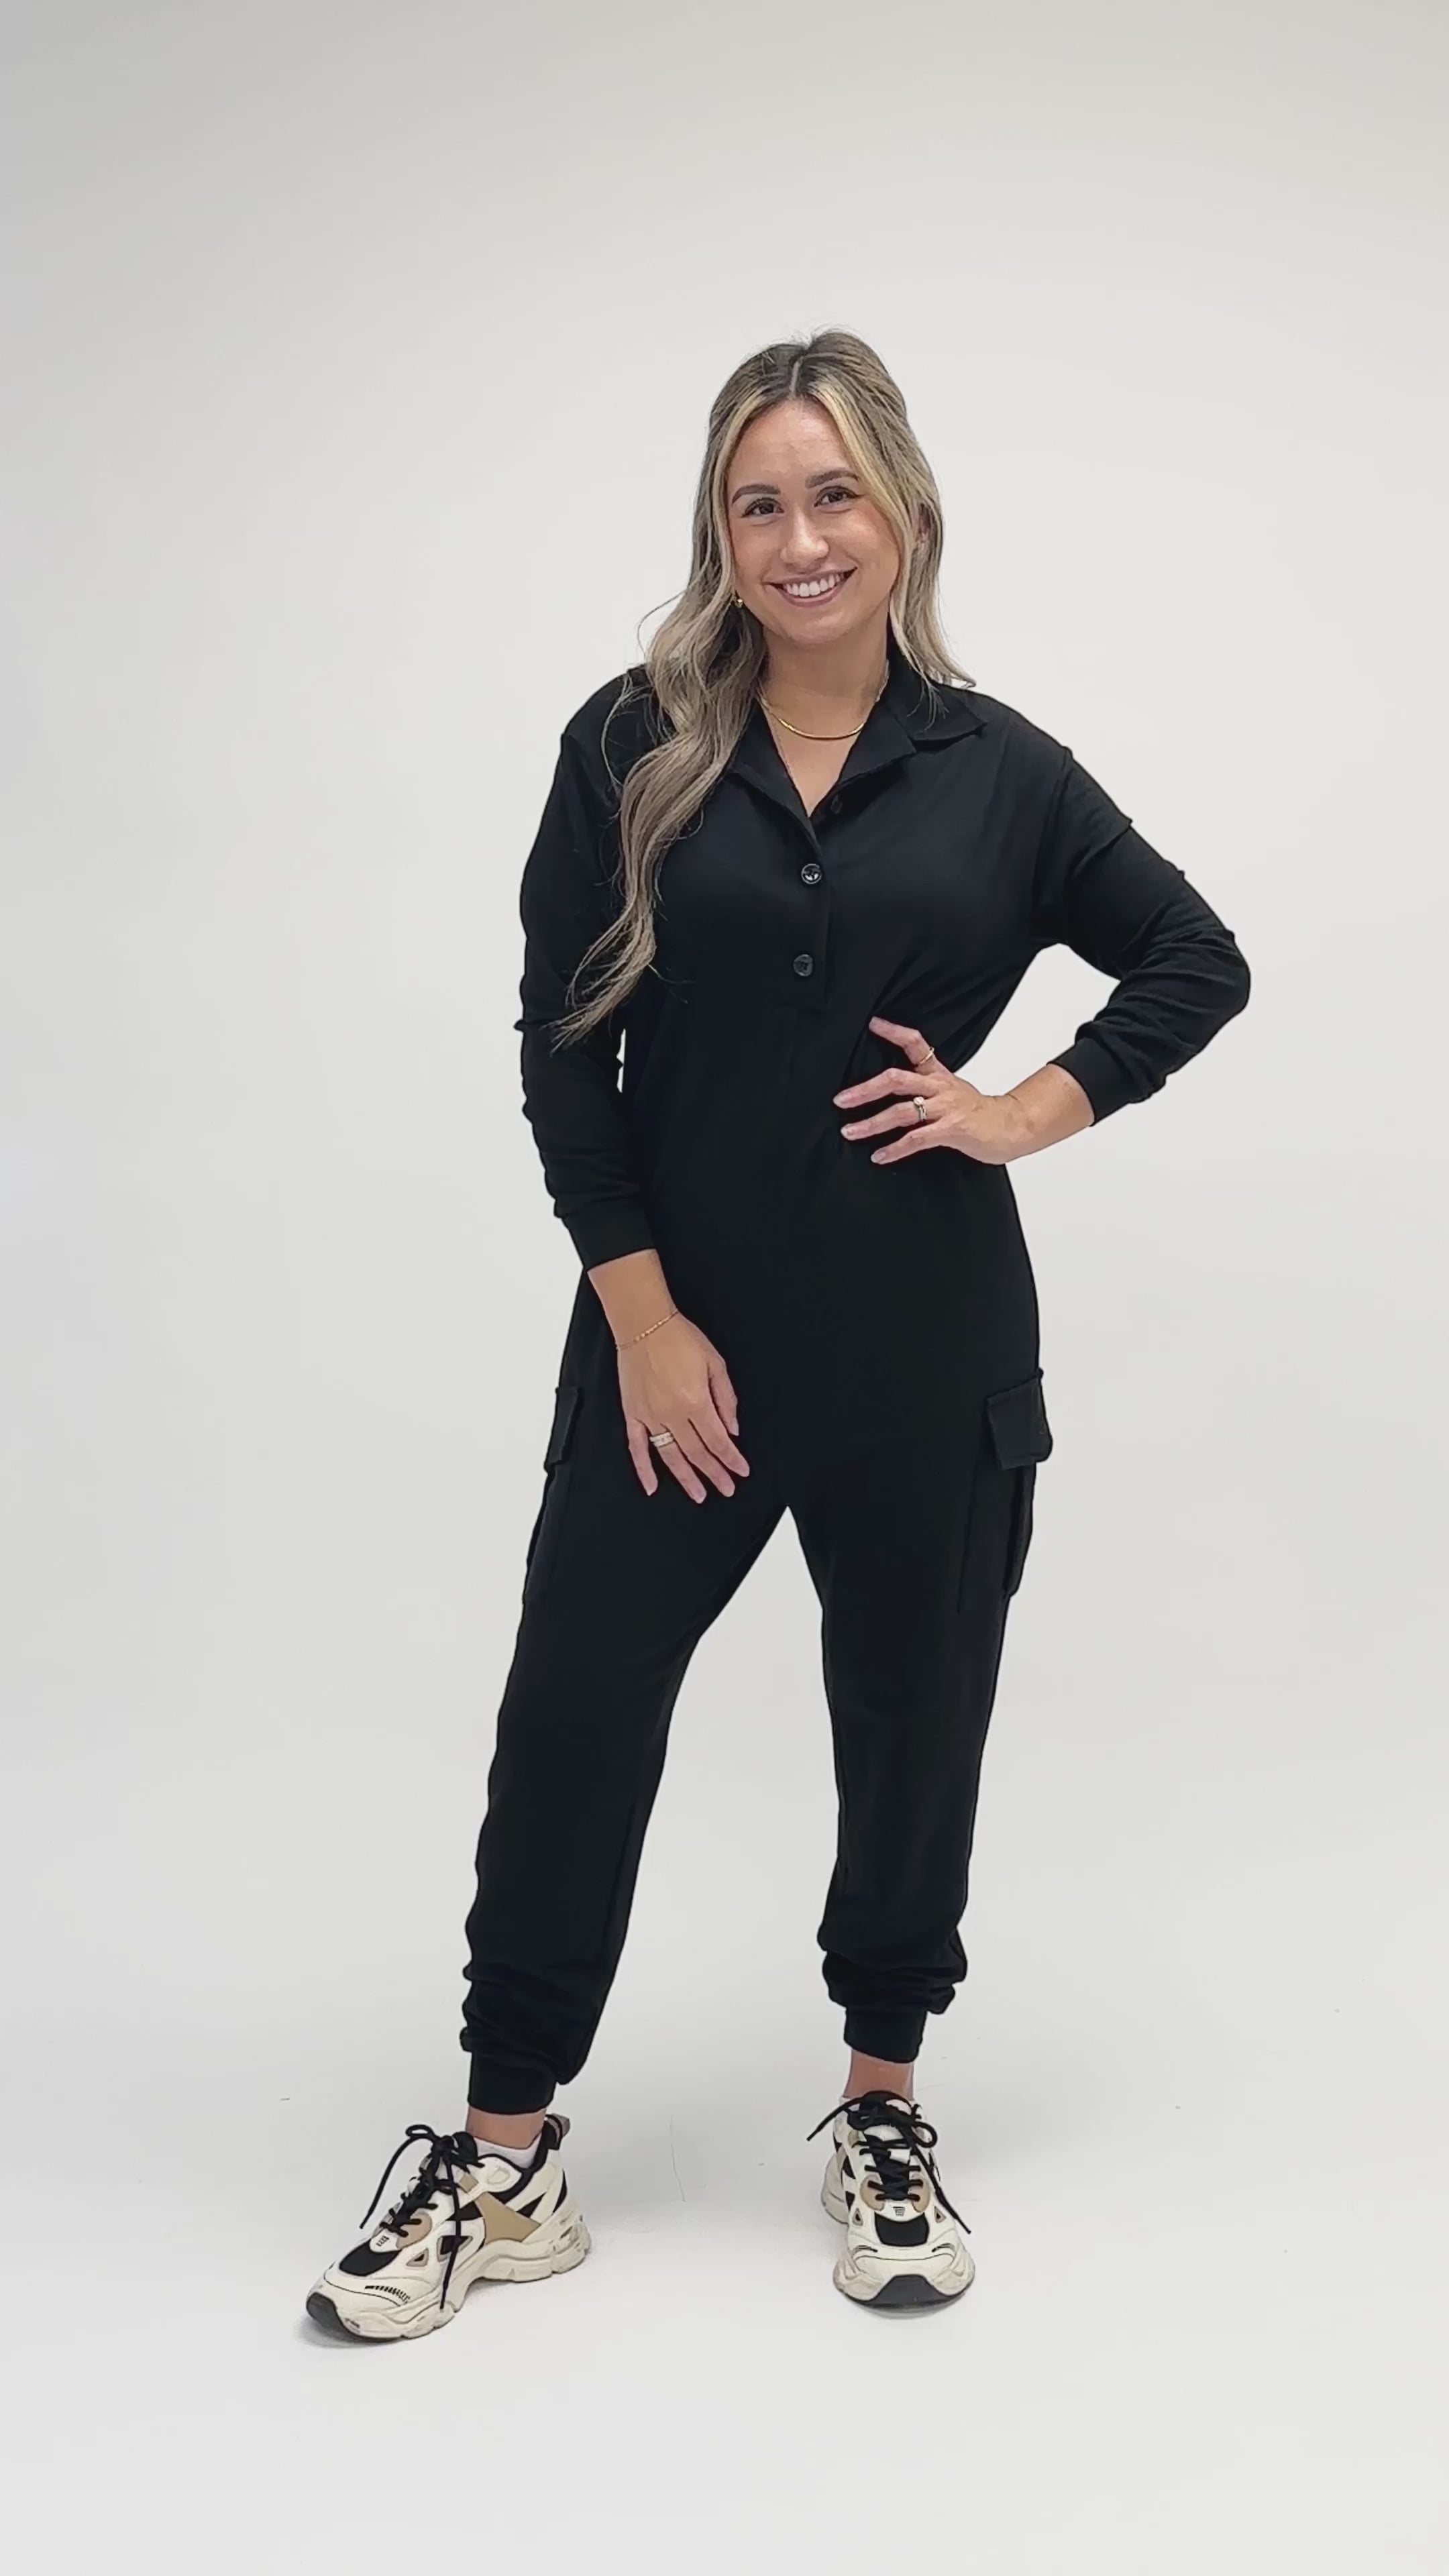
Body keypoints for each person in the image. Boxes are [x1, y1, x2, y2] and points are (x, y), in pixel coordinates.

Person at [306, 327, 1251, 2339]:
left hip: (927, 1347)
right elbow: (564, 1047)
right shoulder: (631, 745)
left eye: (835, 496)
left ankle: (881, 2105)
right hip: (681, 1351)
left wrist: (1023, 1110)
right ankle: (503, 2154)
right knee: (575, 1717)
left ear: (903, 514)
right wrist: (644, 1318)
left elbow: (1196, 958)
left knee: (914, 1722)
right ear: (719, 535)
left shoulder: (1003, 775)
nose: (801, 538)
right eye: (760, 504)